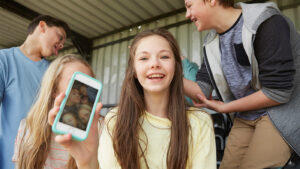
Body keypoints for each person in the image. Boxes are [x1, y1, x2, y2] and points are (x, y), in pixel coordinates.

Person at [48, 28, 216, 169]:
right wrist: (86, 163)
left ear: (176, 68)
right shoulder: (115, 120)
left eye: (164, 56)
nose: (154, 64)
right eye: (144, 58)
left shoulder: (200, 121)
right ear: (134, 70)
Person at [183, 0, 300, 168]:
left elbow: (277, 93)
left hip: (281, 111)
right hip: (245, 115)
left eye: (189, 5)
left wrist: (225, 107)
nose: (187, 14)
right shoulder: (211, 43)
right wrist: (167, 74)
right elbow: (201, 90)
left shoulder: (266, 22)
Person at [0, 15, 70, 169]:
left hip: (45, 162)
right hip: (9, 163)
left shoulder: (55, 72)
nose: (62, 44)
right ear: (42, 26)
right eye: (60, 37)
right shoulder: (4, 60)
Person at [13, 54, 103, 169]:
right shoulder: (27, 127)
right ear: (54, 89)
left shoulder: (101, 130)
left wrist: (87, 164)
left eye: (88, 88)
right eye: (75, 83)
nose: (82, 93)